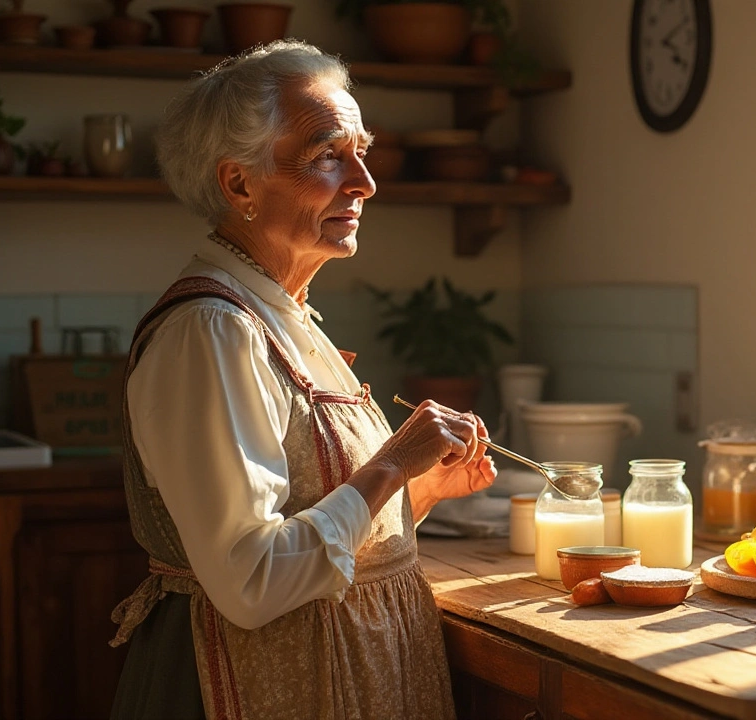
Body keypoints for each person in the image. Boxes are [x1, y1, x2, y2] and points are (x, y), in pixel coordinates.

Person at [108, 40, 495, 719]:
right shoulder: (213, 332)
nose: (365, 182)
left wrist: (415, 489)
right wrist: (389, 465)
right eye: (327, 155)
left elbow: (315, 537)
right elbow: (253, 579)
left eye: (362, 151)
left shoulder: (283, 315)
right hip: (240, 687)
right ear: (239, 184)